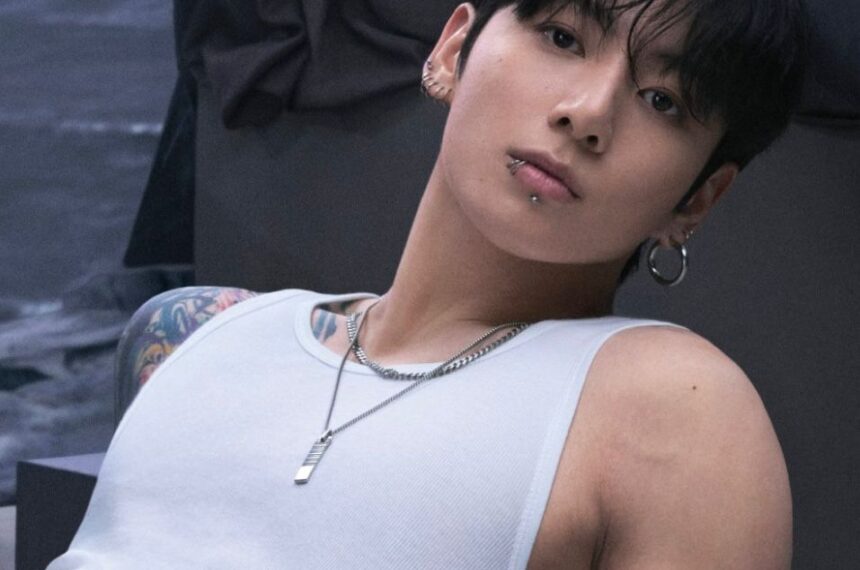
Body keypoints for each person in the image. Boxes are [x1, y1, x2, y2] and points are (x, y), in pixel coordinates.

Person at [50, 0, 806, 568]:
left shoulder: (675, 408)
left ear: (698, 200)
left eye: (662, 100)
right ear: (452, 49)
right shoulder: (194, 333)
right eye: (562, 37)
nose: (587, 114)